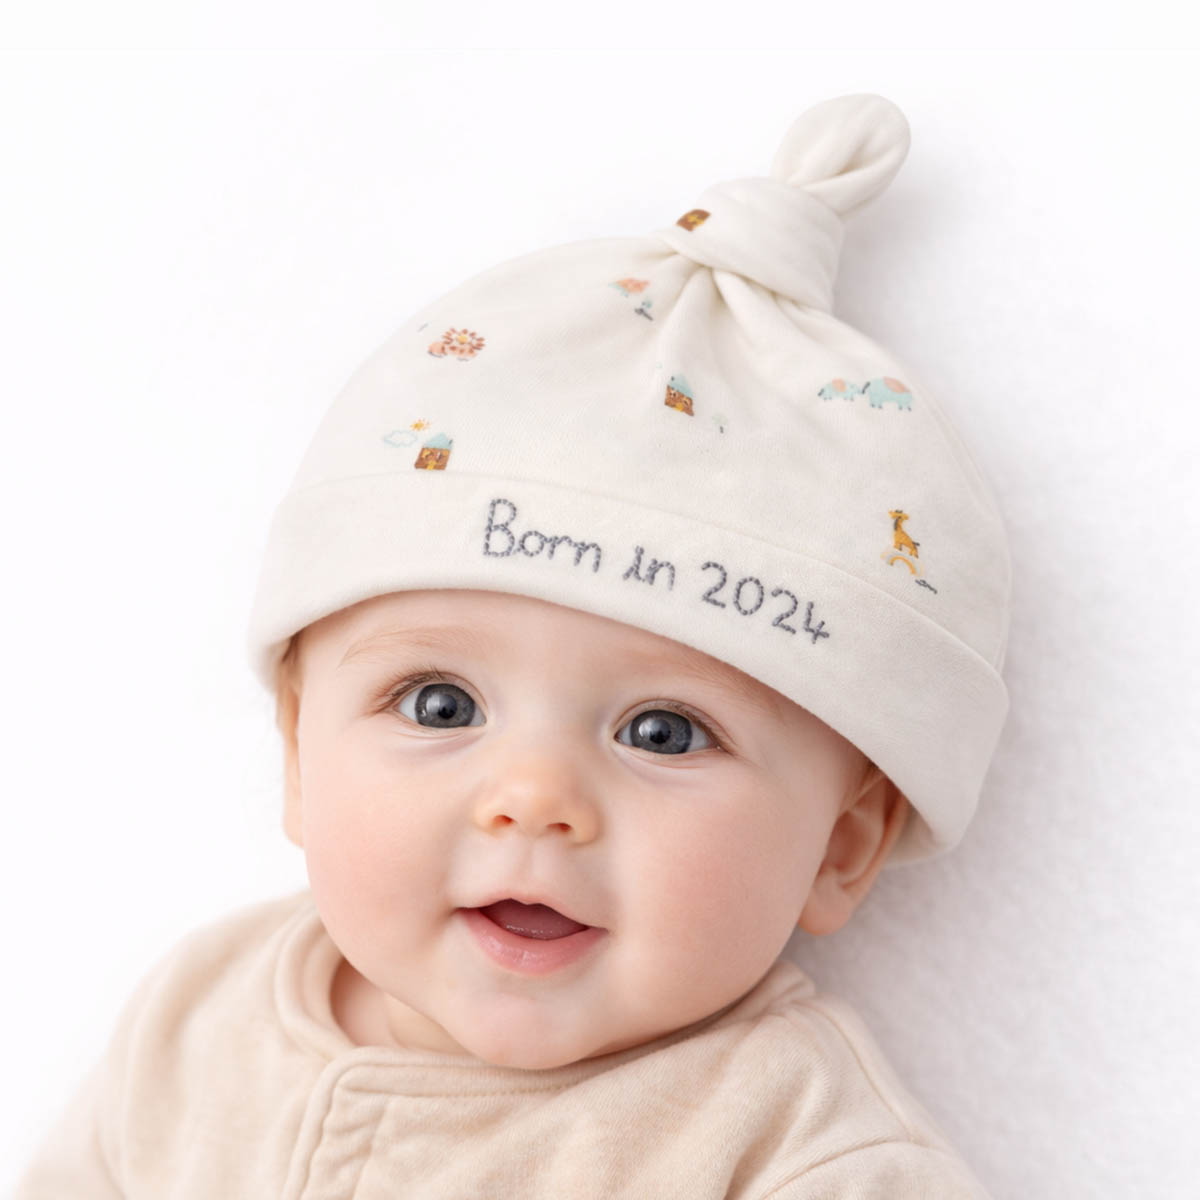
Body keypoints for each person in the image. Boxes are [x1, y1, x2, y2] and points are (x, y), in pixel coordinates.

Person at [16, 92, 1011, 1198]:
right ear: (298, 755)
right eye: (439, 704)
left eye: (664, 731)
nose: (533, 798)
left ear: (843, 846)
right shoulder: (199, 1014)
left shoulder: (789, 1153)